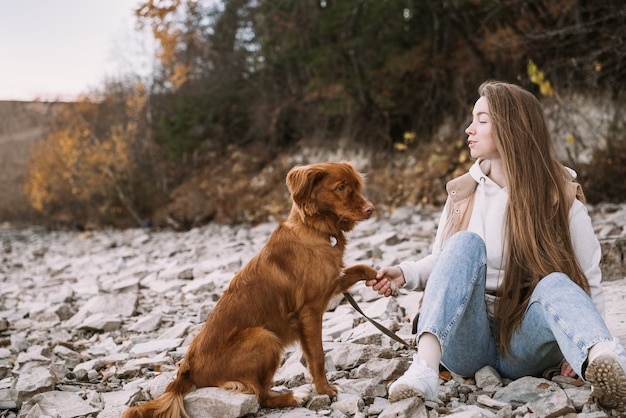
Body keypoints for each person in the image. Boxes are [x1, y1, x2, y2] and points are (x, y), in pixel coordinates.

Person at [366, 81, 626, 408]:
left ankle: (604, 359)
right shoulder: (463, 192)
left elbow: (589, 276)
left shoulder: (560, 194)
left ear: (510, 127)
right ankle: (424, 370)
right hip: (467, 341)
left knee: (556, 282)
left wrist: (581, 348)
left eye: (481, 120)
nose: (468, 129)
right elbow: (443, 261)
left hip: (524, 341)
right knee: (463, 244)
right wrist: (406, 273)